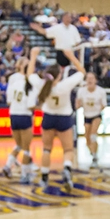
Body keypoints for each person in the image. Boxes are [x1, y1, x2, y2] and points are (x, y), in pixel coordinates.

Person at [36, 57, 86, 192]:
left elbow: (29, 75)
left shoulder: (42, 85)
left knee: (47, 149)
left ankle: (44, 177)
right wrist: (70, 56)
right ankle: (67, 168)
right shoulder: (65, 85)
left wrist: (33, 56)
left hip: (48, 117)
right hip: (64, 117)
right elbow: (82, 71)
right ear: (60, 75)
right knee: (68, 149)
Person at [1, 49, 42, 184]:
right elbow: (31, 105)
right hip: (24, 115)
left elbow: (8, 100)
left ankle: (7, 166)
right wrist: (41, 108)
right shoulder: (31, 84)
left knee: (19, 145)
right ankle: (24, 174)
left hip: (13, 114)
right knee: (26, 148)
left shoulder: (14, 82)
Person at [75, 72, 107, 171]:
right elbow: (77, 105)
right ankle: (93, 152)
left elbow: (104, 105)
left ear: (95, 80)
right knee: (87, 139)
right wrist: (79, 104)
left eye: (92, 78)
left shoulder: (101, 91)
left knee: (93, 135)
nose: (90, 80)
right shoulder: (81, 91)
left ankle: (94, 157)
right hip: (86, 115)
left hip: (96, 115)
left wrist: (96, 108)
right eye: (88, 78)